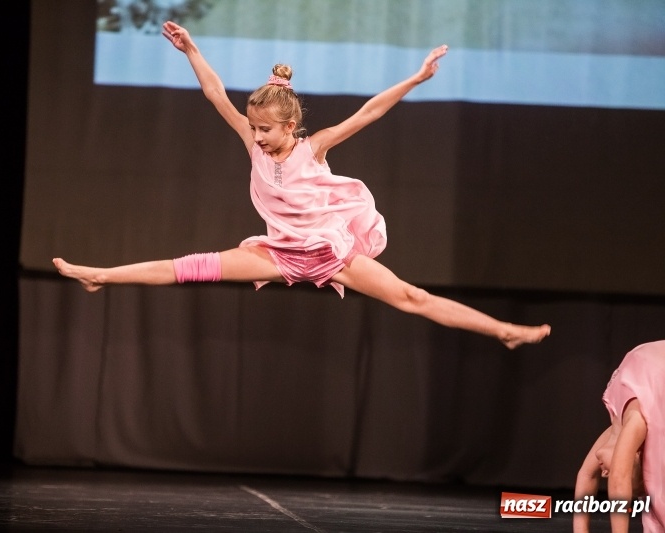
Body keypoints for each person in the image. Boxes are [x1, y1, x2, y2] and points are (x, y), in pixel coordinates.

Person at [53, 21, 551, 350]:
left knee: (412, 298)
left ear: (290, 127)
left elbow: (371, 110)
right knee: (189, 267)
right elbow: (213, 93)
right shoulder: (251, 140)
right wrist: (193, 51)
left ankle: (503, 330)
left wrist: (415, 80)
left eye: (266, 130)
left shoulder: (315, 149)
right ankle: (100, 275)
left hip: (329, 254)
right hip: (277, 253)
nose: (258, 136)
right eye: (254, 128)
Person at [574, 340, 665, 532]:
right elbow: (618, 477)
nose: (605, 473)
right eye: (617, 466)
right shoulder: (637, 422)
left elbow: (586, 475)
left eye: (606, 475)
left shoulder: (617, 429)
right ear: (635, 453)